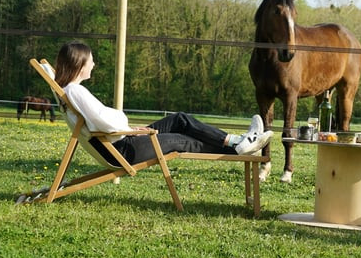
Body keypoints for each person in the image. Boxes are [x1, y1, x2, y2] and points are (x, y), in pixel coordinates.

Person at [54, 40, 272, 166]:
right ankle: (239, 147)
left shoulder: (71, 91)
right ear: (80, 63)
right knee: (182, 139)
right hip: (124, 149)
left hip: (122, 139)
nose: (94, 63)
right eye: (91, 59)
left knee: (180, 119)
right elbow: (103, 121)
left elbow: (99, 123)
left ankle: (236, 141)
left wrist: (128, 129)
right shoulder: (76, 91)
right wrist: (126, 128)